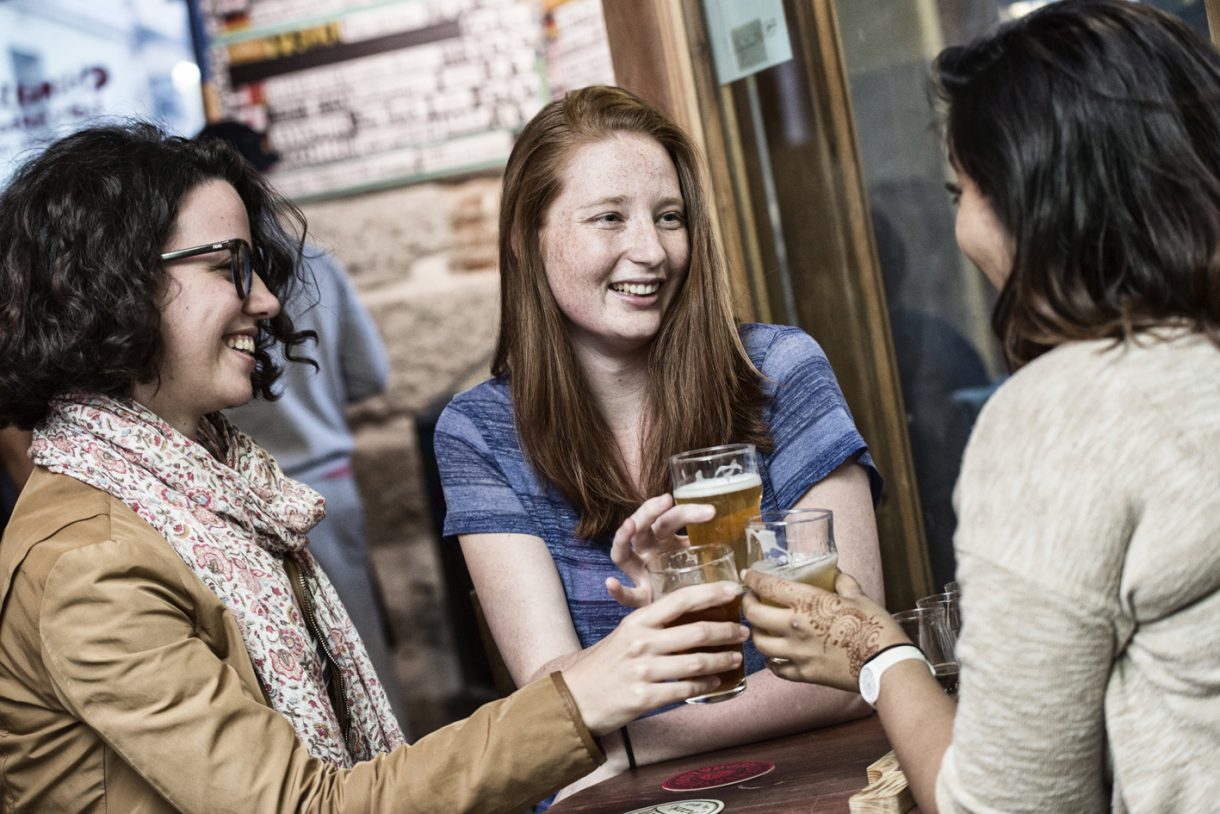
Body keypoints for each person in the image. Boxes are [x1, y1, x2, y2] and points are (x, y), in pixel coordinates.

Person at [0, 122, 750, 812]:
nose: (264, 299)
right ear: (110, 285)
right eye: (229, 266)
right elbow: (307, 807)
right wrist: (583, 695)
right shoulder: (93, 565)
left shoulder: (213, 493)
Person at [741, 2, 1220, 812]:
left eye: (961, 190)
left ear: (1037, 205)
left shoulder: (1066, 413)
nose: (959, 225)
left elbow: (1005, 807)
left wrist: (877, 652)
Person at [434, 84, 885, 795]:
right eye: (609, 218)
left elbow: (852, 661)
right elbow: (556, 696)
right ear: (526, 240)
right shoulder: (480, 431)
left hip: (805, 783)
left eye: (669, 218)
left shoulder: (781, 371)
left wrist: (630, 742)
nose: (650, 250)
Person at [199, 120, 406, 729]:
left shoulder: (206, 284)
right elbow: (369, 375)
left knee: (278, 694)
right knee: (364, 665)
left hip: (238, 500)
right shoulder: (310, 262)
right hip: (325, 487)